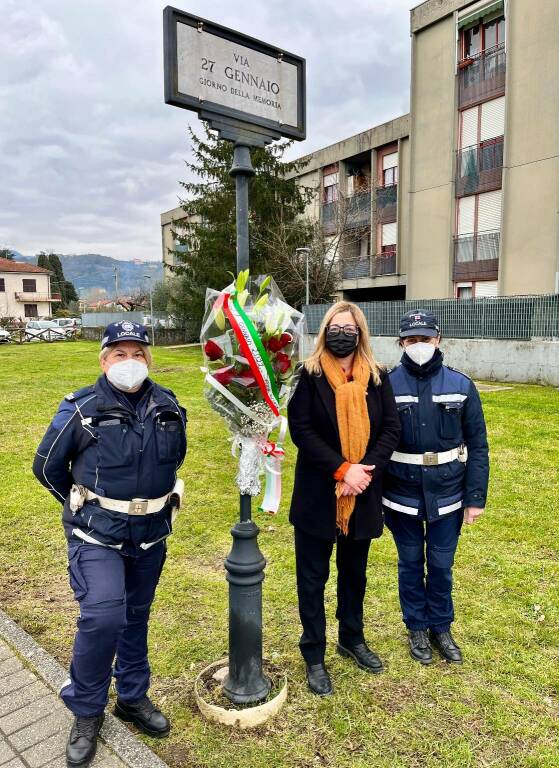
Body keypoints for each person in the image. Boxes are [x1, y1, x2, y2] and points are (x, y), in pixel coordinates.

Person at [33, 320, 186, 768]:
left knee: (135, 616)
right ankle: (86, 710)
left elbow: (175, 458)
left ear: (148, 359)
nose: (130, 361)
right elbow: (46, 466)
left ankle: (132, 698)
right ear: (103, 360)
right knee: (103, 615)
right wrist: (85, 505)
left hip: (150, 533)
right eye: (119, 353)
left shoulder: (169, 406)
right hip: (96, 535)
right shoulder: (81, 408)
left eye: (138, 353)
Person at [288, 301, 401, 696]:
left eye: (348, 327)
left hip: (362, 493)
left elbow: (391, 428)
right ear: (324, 332)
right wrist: (342, 469)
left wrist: (364, 470)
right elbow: (301, 430)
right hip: (320, 494)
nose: (341, 333)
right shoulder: (308, 375)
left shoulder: (378, 377)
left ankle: (351, 638)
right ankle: (314, 654)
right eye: (335, 327)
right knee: (313, 578)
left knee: (355, 574)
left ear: (360, 332)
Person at [383, 309, 489, 665]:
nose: (419, 346)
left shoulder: (461, 385)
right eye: (412, 340)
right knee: (410, 562)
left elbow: (478, 444)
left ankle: (441, 626)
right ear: (401, 343)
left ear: (438, 339)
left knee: (441, 564)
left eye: (425, 339)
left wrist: (475, 498)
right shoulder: (385, 385)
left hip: (449, 493)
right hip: (400, 493)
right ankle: (416, 625)